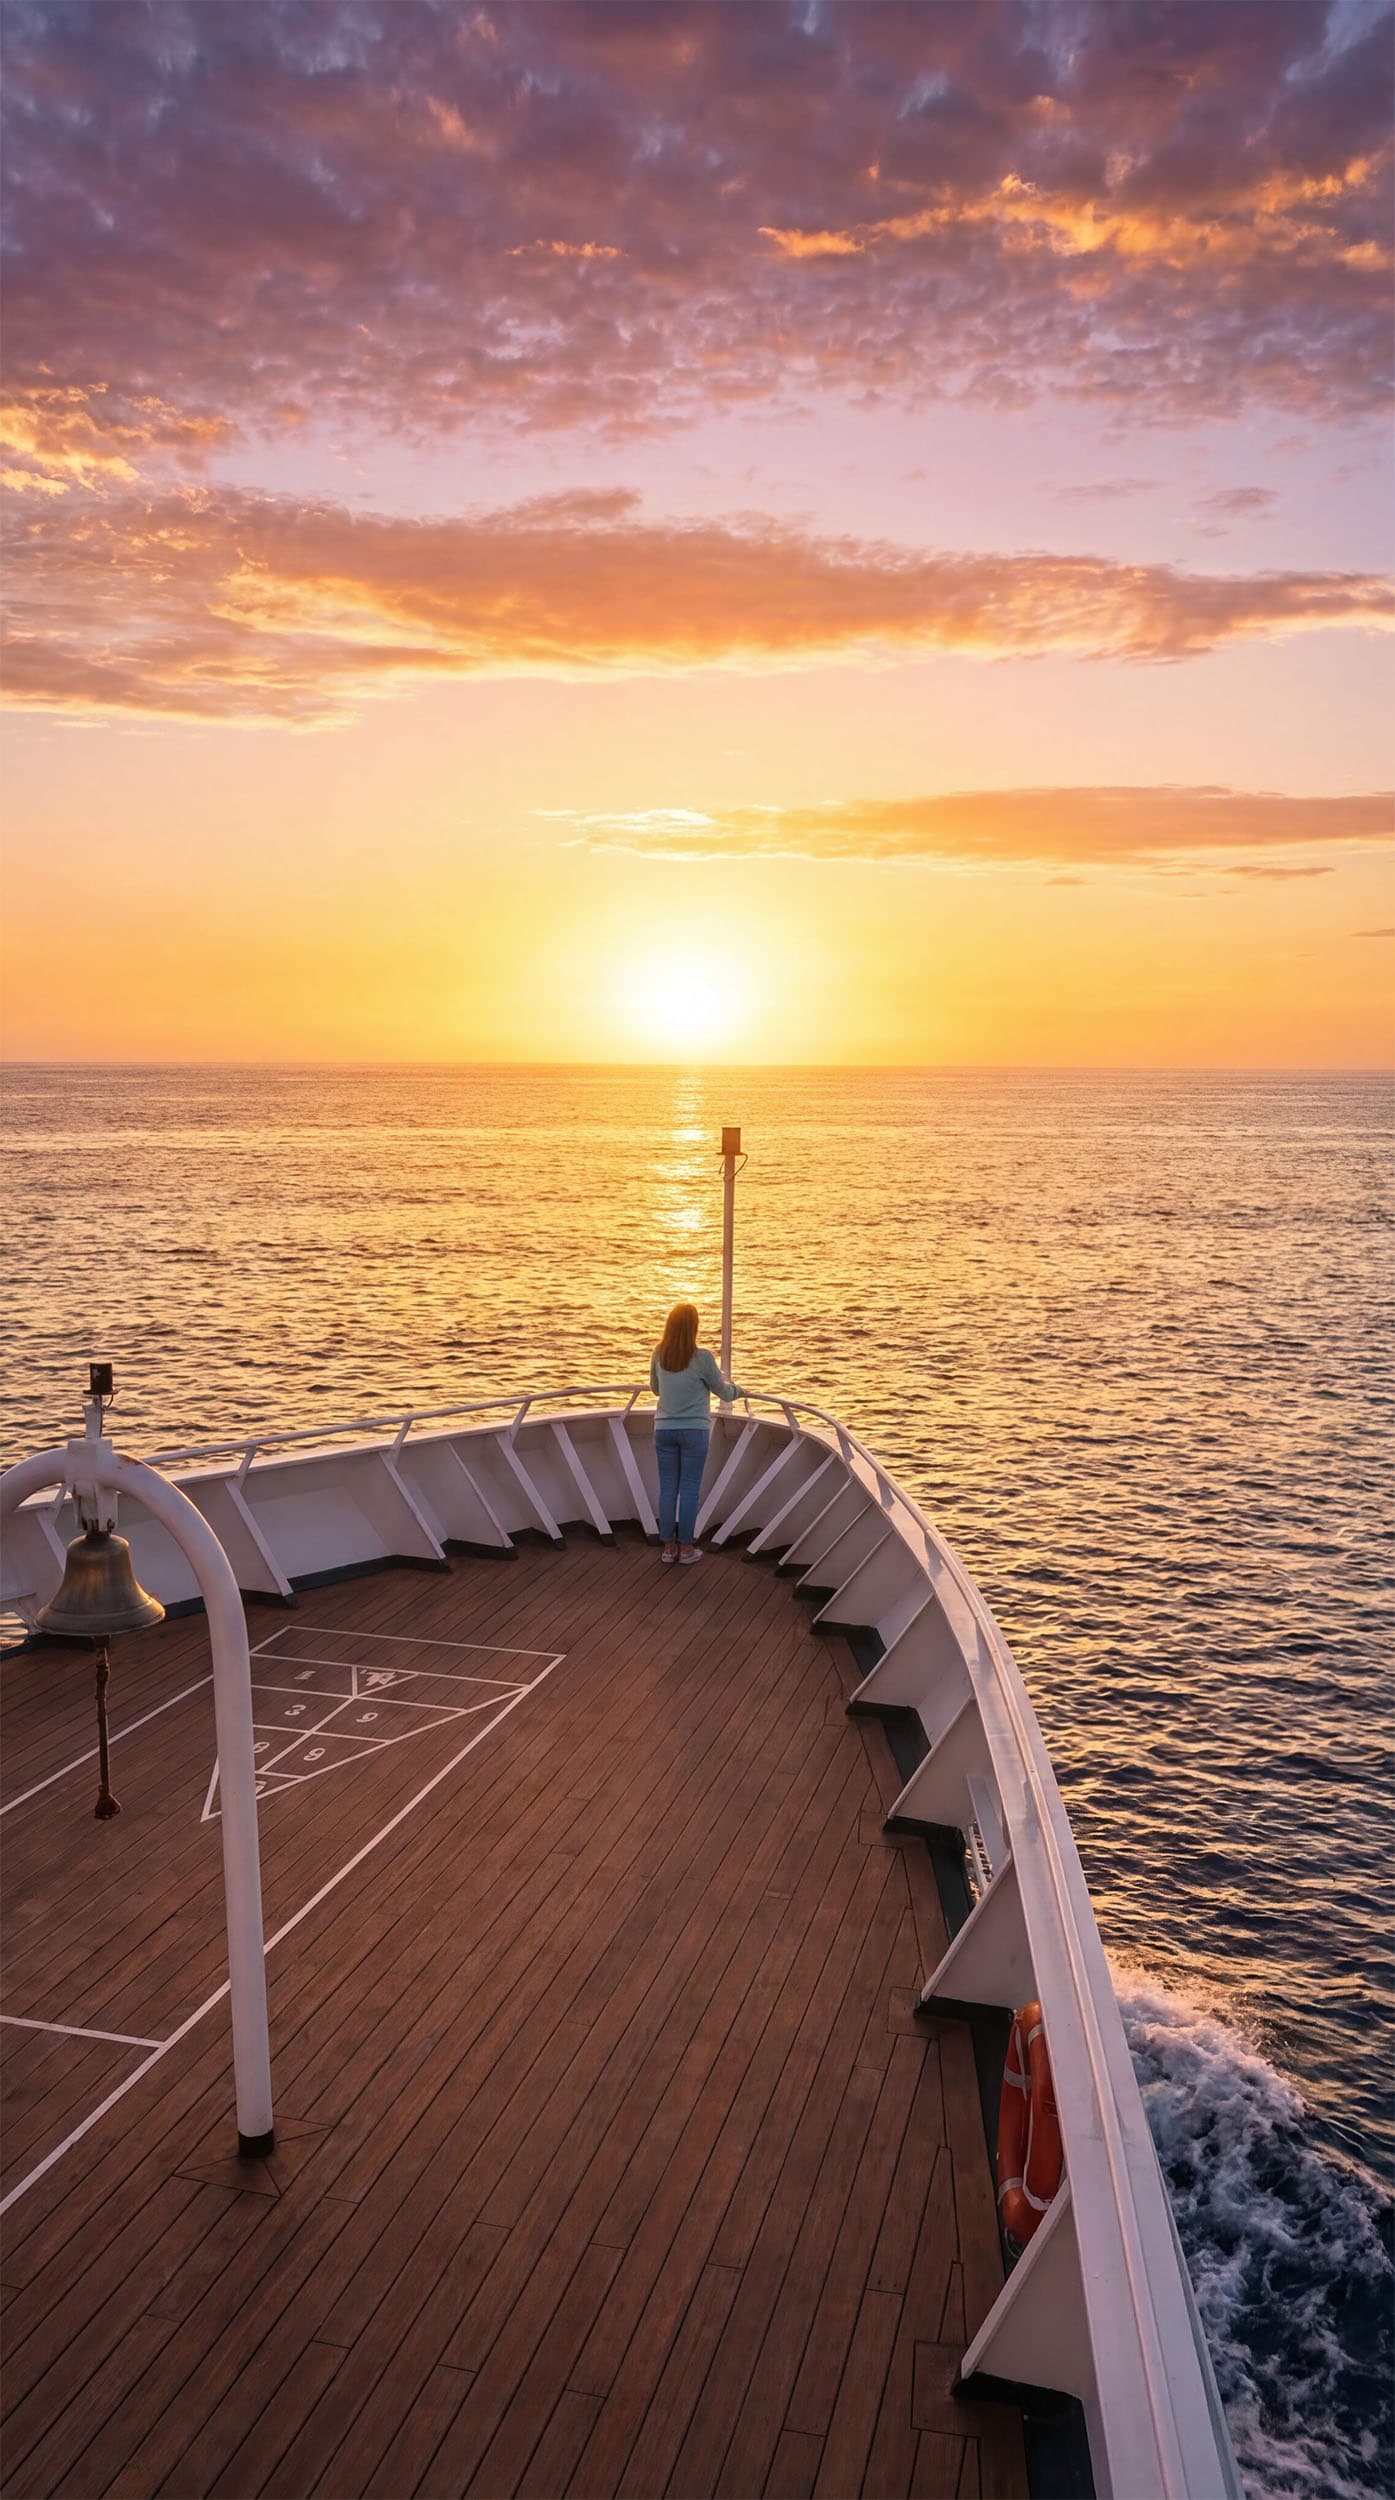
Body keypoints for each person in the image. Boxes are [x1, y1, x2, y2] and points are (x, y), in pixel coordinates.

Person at [650, 1301, 744, 1565]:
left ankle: (669, 1548)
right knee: (689, 1489)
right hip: (694, 1431)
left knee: (668, 1488)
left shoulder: (658, 1353)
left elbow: (655, 1389)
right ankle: (686, 1549)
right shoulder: (702, 1357)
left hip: (664, 1429)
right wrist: (738, 1390)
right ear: (694, 1327)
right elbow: (724, 1392)